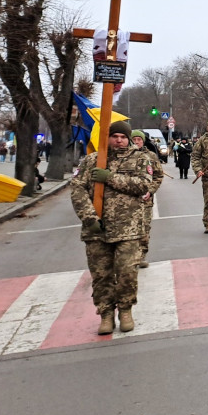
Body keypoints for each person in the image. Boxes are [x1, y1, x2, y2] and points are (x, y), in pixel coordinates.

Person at [70, 120, 152, 335]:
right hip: (96, 230)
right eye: (114, 136)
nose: (119, 140)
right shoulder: (91, 161)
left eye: (123, 137)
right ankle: (106, 314)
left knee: (127, 272)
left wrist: (111, 178)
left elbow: (144, 184)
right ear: (107, 138)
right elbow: (77, 189)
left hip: (129, 228)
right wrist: (89, 218)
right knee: (101, 276)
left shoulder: (139, 158)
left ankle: (125, 310)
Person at [131, 131, 165, 267]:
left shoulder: (150, 156)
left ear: (143, 141)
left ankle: (141, 255)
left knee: (144, 228)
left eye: (139, 139)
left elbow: (158, 176)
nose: (136, 142)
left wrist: (150, 191)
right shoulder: (123, 157)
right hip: (127, 200)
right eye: (134, 139)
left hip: (145, 199)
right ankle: (129, 256)